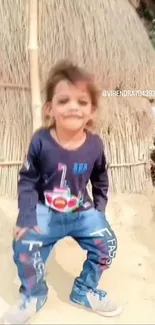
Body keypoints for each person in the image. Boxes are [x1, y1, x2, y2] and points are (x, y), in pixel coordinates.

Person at [4, 60, 122, 324]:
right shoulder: (41, 141)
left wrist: (100, 209)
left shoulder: (95, 145)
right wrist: (26, 217)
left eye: (82, 102)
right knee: (24, 245)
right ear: (50, 109)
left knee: (108, 245)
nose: (73, 107)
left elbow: (101, 177)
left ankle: (85, 290)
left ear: (92, 111)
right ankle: (33, 294)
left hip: (82, 212)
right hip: (46, 211)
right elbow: (27, 181)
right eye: (64, 100)